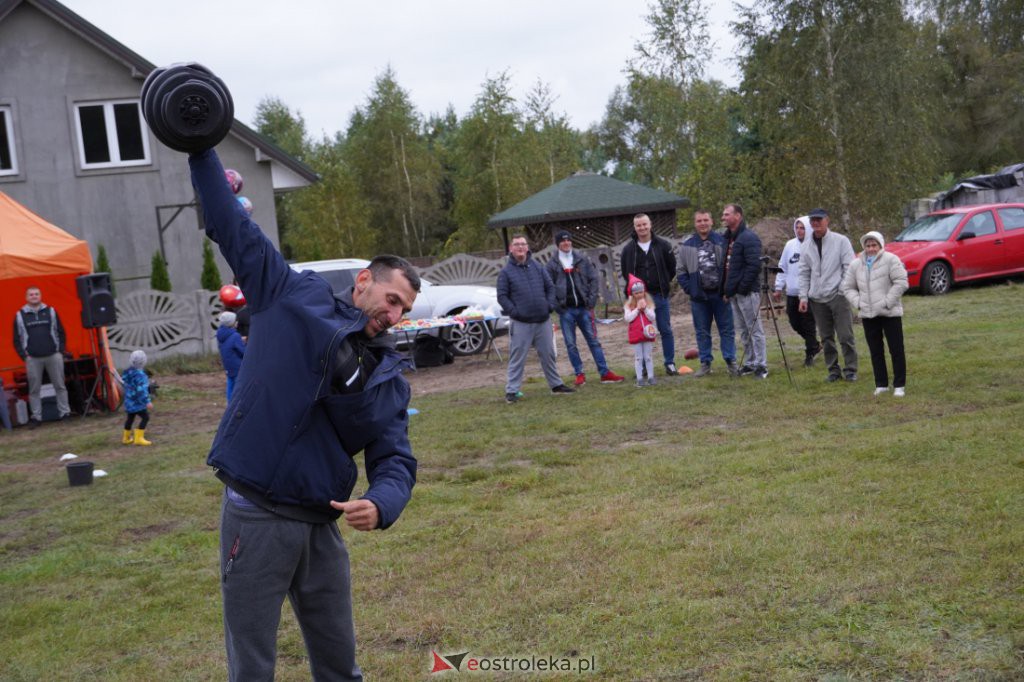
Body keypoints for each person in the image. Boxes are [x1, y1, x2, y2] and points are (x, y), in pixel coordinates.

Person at [189, 147, 420, 681]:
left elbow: (396, 459)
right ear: (363, 280)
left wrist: (381, 504)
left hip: (321, 521)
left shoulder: (387, 377)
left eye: (403, 310)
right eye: (389, 300)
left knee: (340, 667)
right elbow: (229, 225)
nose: (393, 316)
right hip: (256, 513)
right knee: (252, 667)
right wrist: (200, 146)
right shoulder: (289, 295)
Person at [497, 234, 575, 403]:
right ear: (511, 248)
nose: (520, 247)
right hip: (521, 323)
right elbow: (502, 296)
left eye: (523, 244)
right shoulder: (506, 272)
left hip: (543, 320)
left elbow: (550, 288)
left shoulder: (538, 267)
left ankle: (556, 385)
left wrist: (549, 306)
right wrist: (515, 312)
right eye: (517, 244)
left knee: (548, 354)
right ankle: (512, 391)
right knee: (517, 357)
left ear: (527, 247)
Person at [545, 230, 624, 386]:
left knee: (594, 341)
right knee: (571, 344)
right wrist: (557, 307)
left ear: (571, 242)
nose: (566, 243)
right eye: (562, 241)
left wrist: (591, 301)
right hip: (566, 311)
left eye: (568, 240)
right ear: (558, 244)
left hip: (584, 309)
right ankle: (579, 374)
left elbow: (593, 279)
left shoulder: (581, 259)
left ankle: (604, 372)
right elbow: (548, 286)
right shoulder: (552, 264)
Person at [841, 231, 909, 396]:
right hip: (868, 315)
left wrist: (887, 302)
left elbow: (901, 282)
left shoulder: (891, 260)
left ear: (880, 245)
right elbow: (847, 287)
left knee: (896, 350)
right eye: (868, 245)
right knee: (876, 350)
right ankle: (881, 384)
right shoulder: (856, 264)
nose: (871, 248)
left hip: (890, 313)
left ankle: (899, 385)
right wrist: (858, 303)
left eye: (874, 245)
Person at [798, 208, 858, 382]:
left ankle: (851, 369)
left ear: (827, 220)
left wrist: (841, 289)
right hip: (817, 298)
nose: (815, 223)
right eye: (813, 220)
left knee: (845, 335)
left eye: (819, 219)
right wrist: (803, 297)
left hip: (838, 296)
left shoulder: (841, 241)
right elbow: (803, 272)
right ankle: (833, 370)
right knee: (826, 338)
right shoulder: (806, 245)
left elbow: (849, 267)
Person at [677, 210, 738, 377]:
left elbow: (730, 267)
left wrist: (727, 288)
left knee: (726, 329)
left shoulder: (722, 241)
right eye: (699, 221)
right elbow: (681, 272)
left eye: (705, 220)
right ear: (695, 224)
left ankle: (730, 361)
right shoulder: (687, 245)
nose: (702, 223)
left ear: (711, 222)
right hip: (699, 297)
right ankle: (705, 364)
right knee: (702, 331)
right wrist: (691, 289)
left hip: (721, 295)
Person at [620, 213, 678, 375]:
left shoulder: (663, 245)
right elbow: (626, 273)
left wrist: (664, 283)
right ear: (634, 227)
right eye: (639, 225)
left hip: (660, 294)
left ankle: (670, 363)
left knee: (665, 329)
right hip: (639, 298)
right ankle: (644, 366)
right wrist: (637, 295)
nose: (642, 228)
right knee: (641, 331)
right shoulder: (628, 250)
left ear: (650, 225)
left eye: (644, 224)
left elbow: (672, 268)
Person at [13, 286, 71, 427]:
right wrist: (24, 356)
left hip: (53, 355)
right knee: (34, 389)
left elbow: (61, 332)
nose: (34, 296)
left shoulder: (51, 311)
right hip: (32, 358)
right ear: (27, 297)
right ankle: (36, 417)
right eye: (31, 294)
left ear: (41, 296)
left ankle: (65, 413)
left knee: (60, 386)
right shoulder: (20, 314)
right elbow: (16, 339)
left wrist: (60, 351)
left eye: (36, 294)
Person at [721, 204, 768, 379]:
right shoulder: (728, 238)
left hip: (747, 292)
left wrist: (741, 287)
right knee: (743, 330)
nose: (723, 217)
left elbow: (753, 266)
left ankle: (761, 365)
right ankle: (750, 362)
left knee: (754, 329)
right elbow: (726, 268)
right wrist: (726, 290)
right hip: (734, 293)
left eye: (727, 214)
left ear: (738, 216)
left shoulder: (749, 238)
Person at [773, 216, 822, 367]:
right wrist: (778, 287)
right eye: (797, 227)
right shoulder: (790, 245)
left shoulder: (814, 244)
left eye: (803, 228)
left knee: (808, 324)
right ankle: (814, 344)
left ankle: (809, 355)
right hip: (792, 291)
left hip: (808, 293)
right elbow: (783, 267)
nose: (799, 230)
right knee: (794, 322)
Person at [624, 275, 658, 387]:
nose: (639, 295)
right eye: (636, 293)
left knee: (648, 356)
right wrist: (637, 310)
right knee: (639, 357)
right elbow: (628, 318)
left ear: (644, 291)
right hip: (636, 334)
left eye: (641, 292)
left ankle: (651, 377)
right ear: (632, 294)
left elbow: (652, 317)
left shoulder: (649, 303)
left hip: (648, 333)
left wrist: (645, 309)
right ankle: (639, 379)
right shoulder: (629, 305)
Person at [121, 349, 153, 446]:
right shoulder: (141, 375)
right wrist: (147, 401)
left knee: (130, 418)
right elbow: (141, 390)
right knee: (146, 417)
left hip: (129, 401)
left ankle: (126, 438)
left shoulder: (127, 372)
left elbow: (125, 384)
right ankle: (139, 438)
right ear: (143, 361)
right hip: (137, 402)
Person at [216, 311, 245, 400]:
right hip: (238, 366)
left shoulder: (220, 335)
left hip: (228, 366)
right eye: (235, 321)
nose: (237, 322)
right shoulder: (235, 336)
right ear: (231, 323)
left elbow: (229, 344)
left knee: (230, 385)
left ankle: (230, 404)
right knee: (238, 387)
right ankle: (237, 405)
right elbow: (243, 351)